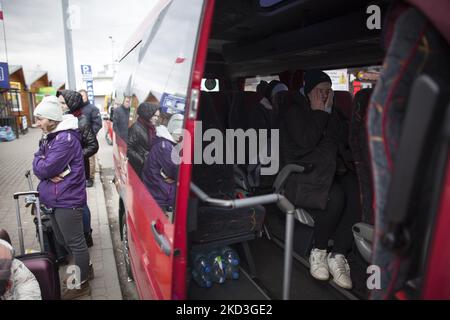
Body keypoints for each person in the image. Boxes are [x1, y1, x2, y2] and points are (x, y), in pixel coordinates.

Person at [280, 70, 361, 290]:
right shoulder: (294, 110)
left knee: (356, 192)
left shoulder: (333, 112)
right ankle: (320, 249)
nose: (325, 96)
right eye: (320, 91)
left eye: (328, 91)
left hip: (331, 169)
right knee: (334, 197)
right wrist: (319, 113)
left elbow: (343, 141)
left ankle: (339, 255)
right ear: (308, 92)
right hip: (303, 172)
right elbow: (306, 142)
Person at [32, 95, 91, 299]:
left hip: (67, 199)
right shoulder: (53, 136)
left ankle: (79, 284)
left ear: (50, 119)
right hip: (57, 199)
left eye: (40, 119)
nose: (37, 123)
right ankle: (85, 268)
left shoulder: (64, 139)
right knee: (62, 239)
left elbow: (44, 168)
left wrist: (42, 164)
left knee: (75, 243)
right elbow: (40, 162)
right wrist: (41, 161)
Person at [57, 90, 98, 248]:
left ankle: (87, 234)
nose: (59, 106)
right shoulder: (62, 120)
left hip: (79, 168)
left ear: (71, 104)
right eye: (58, 103)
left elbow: (93, 145)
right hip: (66, 170)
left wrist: (75, 157)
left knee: (81, 203)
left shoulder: (81, 121)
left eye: (62, 103)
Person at [142, 114, 183, 209]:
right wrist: (175, 176)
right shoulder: (165, 147)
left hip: (158, 190)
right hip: (159, 194)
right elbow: (176, 171)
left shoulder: (166, 143)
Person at [127, 102, 160, 176]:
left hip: (147, 166)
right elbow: (128, 148)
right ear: (147, 114)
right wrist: (142, 160)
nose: (156, 118)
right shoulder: (136, 128)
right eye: (154, 115)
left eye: (158, 116)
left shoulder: (150, 128)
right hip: (137, 168)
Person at [78, 89, 102, 187]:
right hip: (78, 139)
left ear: (87, 96)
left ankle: (90, 178)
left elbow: (98, 124)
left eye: (83, 96)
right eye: (79, 96)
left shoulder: (93, 109)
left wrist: (90, 135)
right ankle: (82, 177)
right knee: (80, 158)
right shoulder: (76, 109)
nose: (81, 98)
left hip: (89, 140)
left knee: (90, 159)